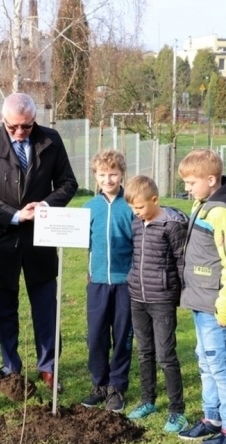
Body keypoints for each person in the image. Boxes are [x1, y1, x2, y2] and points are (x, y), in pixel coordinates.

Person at [0, 92, 78, 392]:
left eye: (27, 126)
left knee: (45, 306)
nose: (20, 132)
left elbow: (68, 183)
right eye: (13, 126)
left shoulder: (51, 141)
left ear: (35, 119)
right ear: (3, 120)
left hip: (42, 236)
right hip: (1, 238)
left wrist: (45, 205)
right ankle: (10, 367)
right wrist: (16, 215)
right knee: (3, 308)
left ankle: (49, 367)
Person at [176, 149, 226, 444]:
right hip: (201, 299)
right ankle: (212, 418)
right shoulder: (204, 205)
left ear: (211, 180)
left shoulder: (224, 214)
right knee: (206, 361)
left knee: (222, 366)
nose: (187, 188)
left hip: (217, 306)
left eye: (191, 182)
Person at [124, 175, 190, 434]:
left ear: (154, 199)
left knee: (166, 356)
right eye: (132, 208)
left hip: (162, 299)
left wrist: (184, 294)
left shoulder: (171, 226)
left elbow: (182, 262)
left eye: (140, 207)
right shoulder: (136, 223)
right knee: (144, 352)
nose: (136, 212)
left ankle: (177, 411)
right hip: (137, 298)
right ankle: (147, 401)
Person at [80, 150, 134, 413]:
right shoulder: (89, 208)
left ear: (122, 174)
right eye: (102, 174)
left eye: (113, 174)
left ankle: (117, 387)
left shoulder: (131, 205)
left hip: (126, 283)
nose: (108, 179)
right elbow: (80, 240)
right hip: (98, 282)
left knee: (122, 336)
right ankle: (99, 385)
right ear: (95, 176)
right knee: (96, 336)